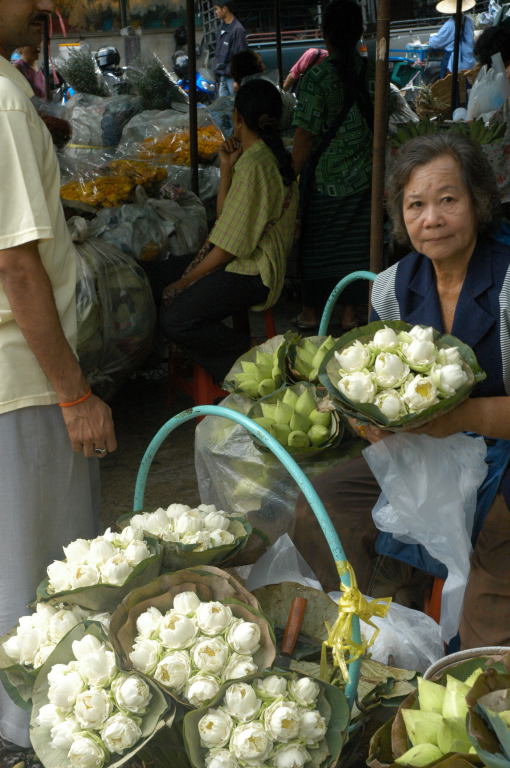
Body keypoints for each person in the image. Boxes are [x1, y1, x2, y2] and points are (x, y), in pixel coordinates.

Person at [294, 132, 510, 649]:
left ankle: (477, 673)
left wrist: (461, 418)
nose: (431, 218)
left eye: (447, 200)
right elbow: (373, 387)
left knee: (493, 581)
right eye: (416, 205)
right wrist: (367, 421)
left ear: (478, 203)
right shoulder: (392, 287)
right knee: (319, 509)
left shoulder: (507, 287)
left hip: (502, 453)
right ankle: (394, 631)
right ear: (401, 215)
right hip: (422, 449)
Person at [0, 0, 117, 748]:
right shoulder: (4, 101)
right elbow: (16, 262)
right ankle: (29, 731)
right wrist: (75, 394)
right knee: (39, 568)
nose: (45, 5)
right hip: (22, 381)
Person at [160, 79, 298, 384]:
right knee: (157, 274)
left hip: (254, 271)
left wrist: (185, 282)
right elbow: (227, 218)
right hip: (247, 261)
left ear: (237, 116)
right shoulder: (260, 157)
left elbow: (227, 249)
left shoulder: (256, 165)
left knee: (176, 319)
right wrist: (226, 168)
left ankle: (255, 359)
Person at [291, 0, 373, 332]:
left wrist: (288, 177)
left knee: (318, 250)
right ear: (360, 32)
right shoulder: (373, 71)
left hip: (326, 182)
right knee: (356, 249)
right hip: (367, 177)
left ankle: (313, 314)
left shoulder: (316, 79)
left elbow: (304, 139)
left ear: (324, 33)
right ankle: (352, 313)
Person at [429, 0, 476, 78]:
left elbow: (435, 43)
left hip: (454, 63)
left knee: (449, 86)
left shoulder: (450, 25)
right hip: (469, 61)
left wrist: (431, 39)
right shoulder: (469, 20)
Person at [213, 1, 247, 97]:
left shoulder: (238, 30)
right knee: (223, 109)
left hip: (232, 78)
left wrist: (237, 80)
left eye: (216, 9)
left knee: (235, 107)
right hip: (222, 76)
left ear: (224, 9)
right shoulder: (221, 27)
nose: (215, 12)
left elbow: (241, 56)